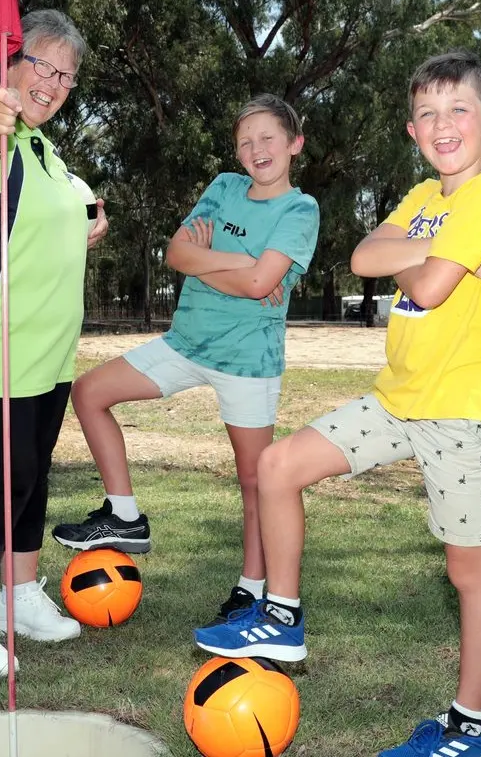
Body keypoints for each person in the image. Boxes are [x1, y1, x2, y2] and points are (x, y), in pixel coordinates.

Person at [193, 51, 481, 757]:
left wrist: (427, 257)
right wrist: (432, 248)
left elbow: (429, 289)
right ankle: (280, 614)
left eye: (458, 109)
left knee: (469, 571)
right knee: (278, 466)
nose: (443, 124)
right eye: (428, 113)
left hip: (460, 409)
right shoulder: (427, 198)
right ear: (412, 128)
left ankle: (468, 731)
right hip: (398, 396)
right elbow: (363, 256)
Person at [51, 94, 321, 627]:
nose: (256, 149)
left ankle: (251, 589)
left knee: (255, 480)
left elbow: (262, 283)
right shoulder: (223, 187)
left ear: (294, 144)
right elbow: (178, 255)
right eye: (246, 141)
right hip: (184, 344)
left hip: (247, 360)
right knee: (88, 392)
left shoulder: (299, 209)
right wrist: (239, 265)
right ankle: (124, 515)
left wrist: (222, 267)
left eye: (268, 138)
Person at [0, 9, 109, 677]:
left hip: (49, 348)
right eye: (43, 65)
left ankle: (20, 595)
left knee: (32, 473)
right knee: (2, 472)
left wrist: (84, 223)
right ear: (11, 60)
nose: (54, 83)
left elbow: (57, 210)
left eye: (68, 74)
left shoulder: (45, 149)